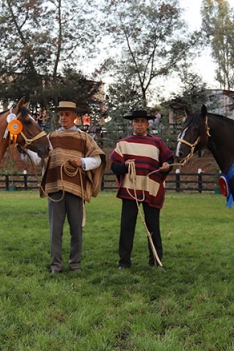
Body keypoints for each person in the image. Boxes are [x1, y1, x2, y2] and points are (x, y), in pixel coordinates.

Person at [27, 101, 106, 274]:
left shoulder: (85, 138)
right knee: (55, 230)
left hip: (76, 188)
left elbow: (98, 159)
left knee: (76, 229)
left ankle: (75, 264)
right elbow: (40, 160)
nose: (63, 117)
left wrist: (82, 162)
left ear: (75, 117)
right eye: (61, 114)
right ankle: (56, 265)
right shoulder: (51, 137)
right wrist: (25, 150)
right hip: (55, 187)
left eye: (67, 114)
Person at [109, 110, 174, 269]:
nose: (139, 124)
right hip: (130, 190)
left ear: (147, 124)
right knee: (127, 227)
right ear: (132, 124)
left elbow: (168, 160)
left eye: (142, 121)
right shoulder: (123, 144)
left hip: (150, 189)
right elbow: (114, 167)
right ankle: (124, 262)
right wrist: (124, 166)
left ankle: (156, 260)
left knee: (153, 226)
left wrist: (166, 167)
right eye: (136, 121)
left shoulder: (156, 142)